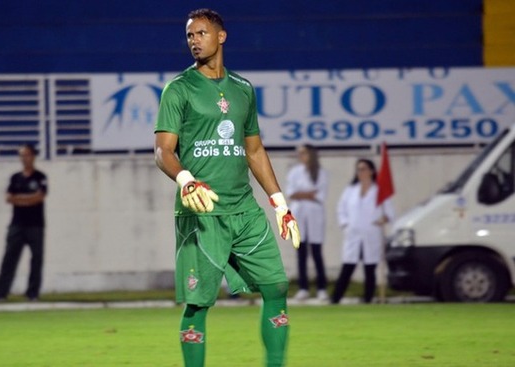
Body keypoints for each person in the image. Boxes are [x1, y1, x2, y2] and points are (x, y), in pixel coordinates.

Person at [154, 9, 300, 367]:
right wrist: (186, 180)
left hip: (245, 211)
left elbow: (254, 150)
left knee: (276, 287)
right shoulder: (179, 89)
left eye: (201, 33)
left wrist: (280, 203)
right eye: (189, 35)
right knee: (198, 302)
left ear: (221, 36)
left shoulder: (243, 89)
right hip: (202, 212)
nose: (194, 41)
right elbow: (163, 151)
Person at [0, 144, 47, 302]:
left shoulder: (40, 177)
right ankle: (1, 292)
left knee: (36, 259)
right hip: (17, 224)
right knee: (9, 258)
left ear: (33, 156)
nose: (24, 158)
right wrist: (28, 199)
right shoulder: (15, 178)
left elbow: (39, 197)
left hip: (36, 225)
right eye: (21, 155)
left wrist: (20, 199)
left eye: (27, 154)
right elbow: (9, 198)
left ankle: (32, 293)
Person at [331, 159, 394, 304]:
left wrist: (383, 219)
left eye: (364, 169)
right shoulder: (350, 190)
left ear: (371, 171)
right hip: (353, 233)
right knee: (348, 267)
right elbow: (341, 208)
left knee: (369, 269)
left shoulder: (379, 191)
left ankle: (368, 299)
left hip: (371, 233)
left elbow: (389, 211)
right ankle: (335, 299)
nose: (361, 172)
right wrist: (345, 224)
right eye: (358, 169)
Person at [286, 145, 328, 301]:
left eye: (303, 153)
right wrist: (308, 194)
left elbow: (319, 195)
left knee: (316, 251)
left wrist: (302, 194)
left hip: (315, 213)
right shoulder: (294, 172)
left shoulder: (321, 173)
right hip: (299, 212)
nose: (301, 155)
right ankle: (303, 287)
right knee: (301, 251)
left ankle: (321, 288)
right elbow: (291, 193)